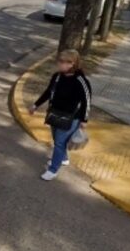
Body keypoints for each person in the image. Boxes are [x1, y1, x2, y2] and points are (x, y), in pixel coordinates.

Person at [29, 49, 91, 181]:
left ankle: (53, 169)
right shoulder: (57, 76)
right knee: (58, 140)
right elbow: (48, 92)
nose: (59, 64)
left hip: (71, 117)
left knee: (59, 143)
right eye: (59, 61)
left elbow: (87, 101)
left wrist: (84, 119)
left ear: (72, 63)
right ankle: (64, 158)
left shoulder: (81, 81)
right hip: (54, 114)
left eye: (63, 62)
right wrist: (36, 105)